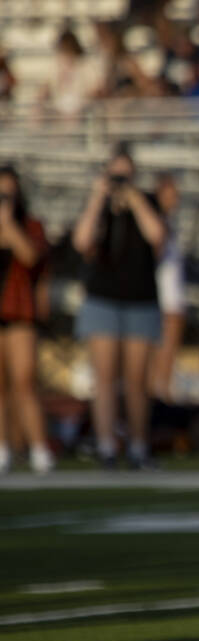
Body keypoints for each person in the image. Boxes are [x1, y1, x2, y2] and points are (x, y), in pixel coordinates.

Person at [72, 145, 166, 469]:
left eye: (125, 175)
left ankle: (139, 446)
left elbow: (157, 236)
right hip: (102, 297)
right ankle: (106, 445)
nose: (120, 181)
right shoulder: (99, 207)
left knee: (137, 380)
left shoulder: (148, 202)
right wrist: (99, 198)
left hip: (140, 299)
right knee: (105, 378)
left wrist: (136, 200)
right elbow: (82, 242)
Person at [0, 166, 53, 474]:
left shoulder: (30, 226)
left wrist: (8, 226)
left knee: (24, 382)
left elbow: (31, 258)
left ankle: (39, 448)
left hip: (19, 311)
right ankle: (4, 448)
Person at [150, 172, 186, 402]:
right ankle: (155, 398)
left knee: (168, 357)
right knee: (157, 357)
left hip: (173, 300)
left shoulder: (171, 223)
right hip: (161, 300)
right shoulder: (155, 224)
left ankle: (162, 395)